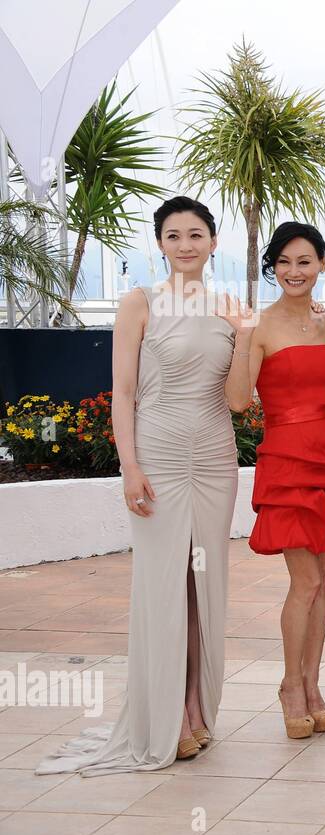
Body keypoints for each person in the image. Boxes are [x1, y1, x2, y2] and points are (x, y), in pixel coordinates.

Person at [38, 196, 240, 774]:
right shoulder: (139, 302)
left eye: (196, 234)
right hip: (159, 456)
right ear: (159, 244)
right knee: (162, 585)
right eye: (173, 235)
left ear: (213, 241)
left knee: (205, 582)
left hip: (216, 458)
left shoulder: (229, 307)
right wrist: (130, 466)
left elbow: (238, 393)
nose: (185, 244)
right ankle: (166, 717)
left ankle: (199, 711)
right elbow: (122, 393)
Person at [228, 221, 325, 739]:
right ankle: (290, 686)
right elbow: (239, 401)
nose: (294, 271)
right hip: (288, 462)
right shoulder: (259, 326)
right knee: (304, 581)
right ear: (273, 268)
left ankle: (313, 685)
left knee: (323, 582)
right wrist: (243, 336)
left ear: (321, 265)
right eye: (284, 262)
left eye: (304, 261)